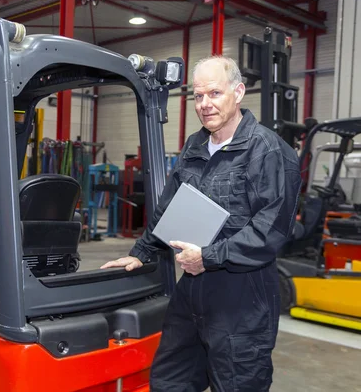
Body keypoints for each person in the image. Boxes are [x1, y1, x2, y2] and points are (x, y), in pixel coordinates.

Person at [101, 56, 302, 391]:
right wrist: (142, 252)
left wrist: (208, 257)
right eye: (198, 96)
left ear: (238, 93)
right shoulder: (195, 145)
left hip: (242, 297)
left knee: (237, 383)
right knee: (169, 380)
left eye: (214, 93)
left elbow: (271, 231)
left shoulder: (267, 151)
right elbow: (171, 207)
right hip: (192, 292)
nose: (205, 104)